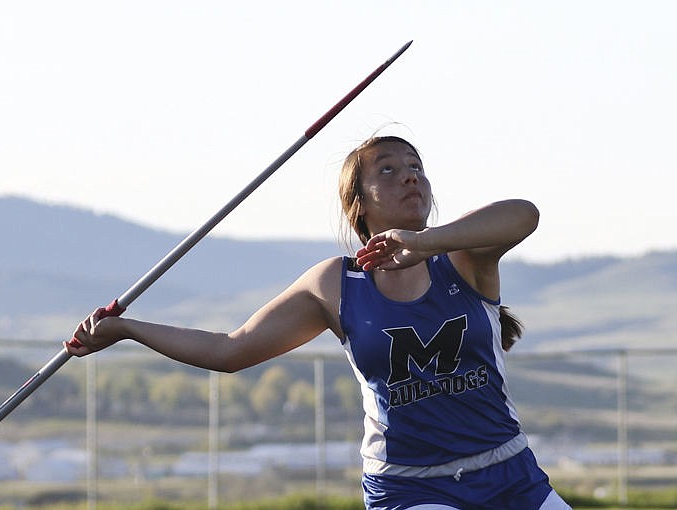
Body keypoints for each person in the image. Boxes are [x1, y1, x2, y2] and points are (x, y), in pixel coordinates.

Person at [67, 135, 571, 509]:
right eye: (389, 170)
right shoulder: (335, 284)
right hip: (412, 487)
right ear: (359, 202)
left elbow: (524, 213)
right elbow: (229, 350)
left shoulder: (462, 255)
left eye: (416, 166)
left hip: (510, 474)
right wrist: (129, 330)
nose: (410, 175)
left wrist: (423, 242)